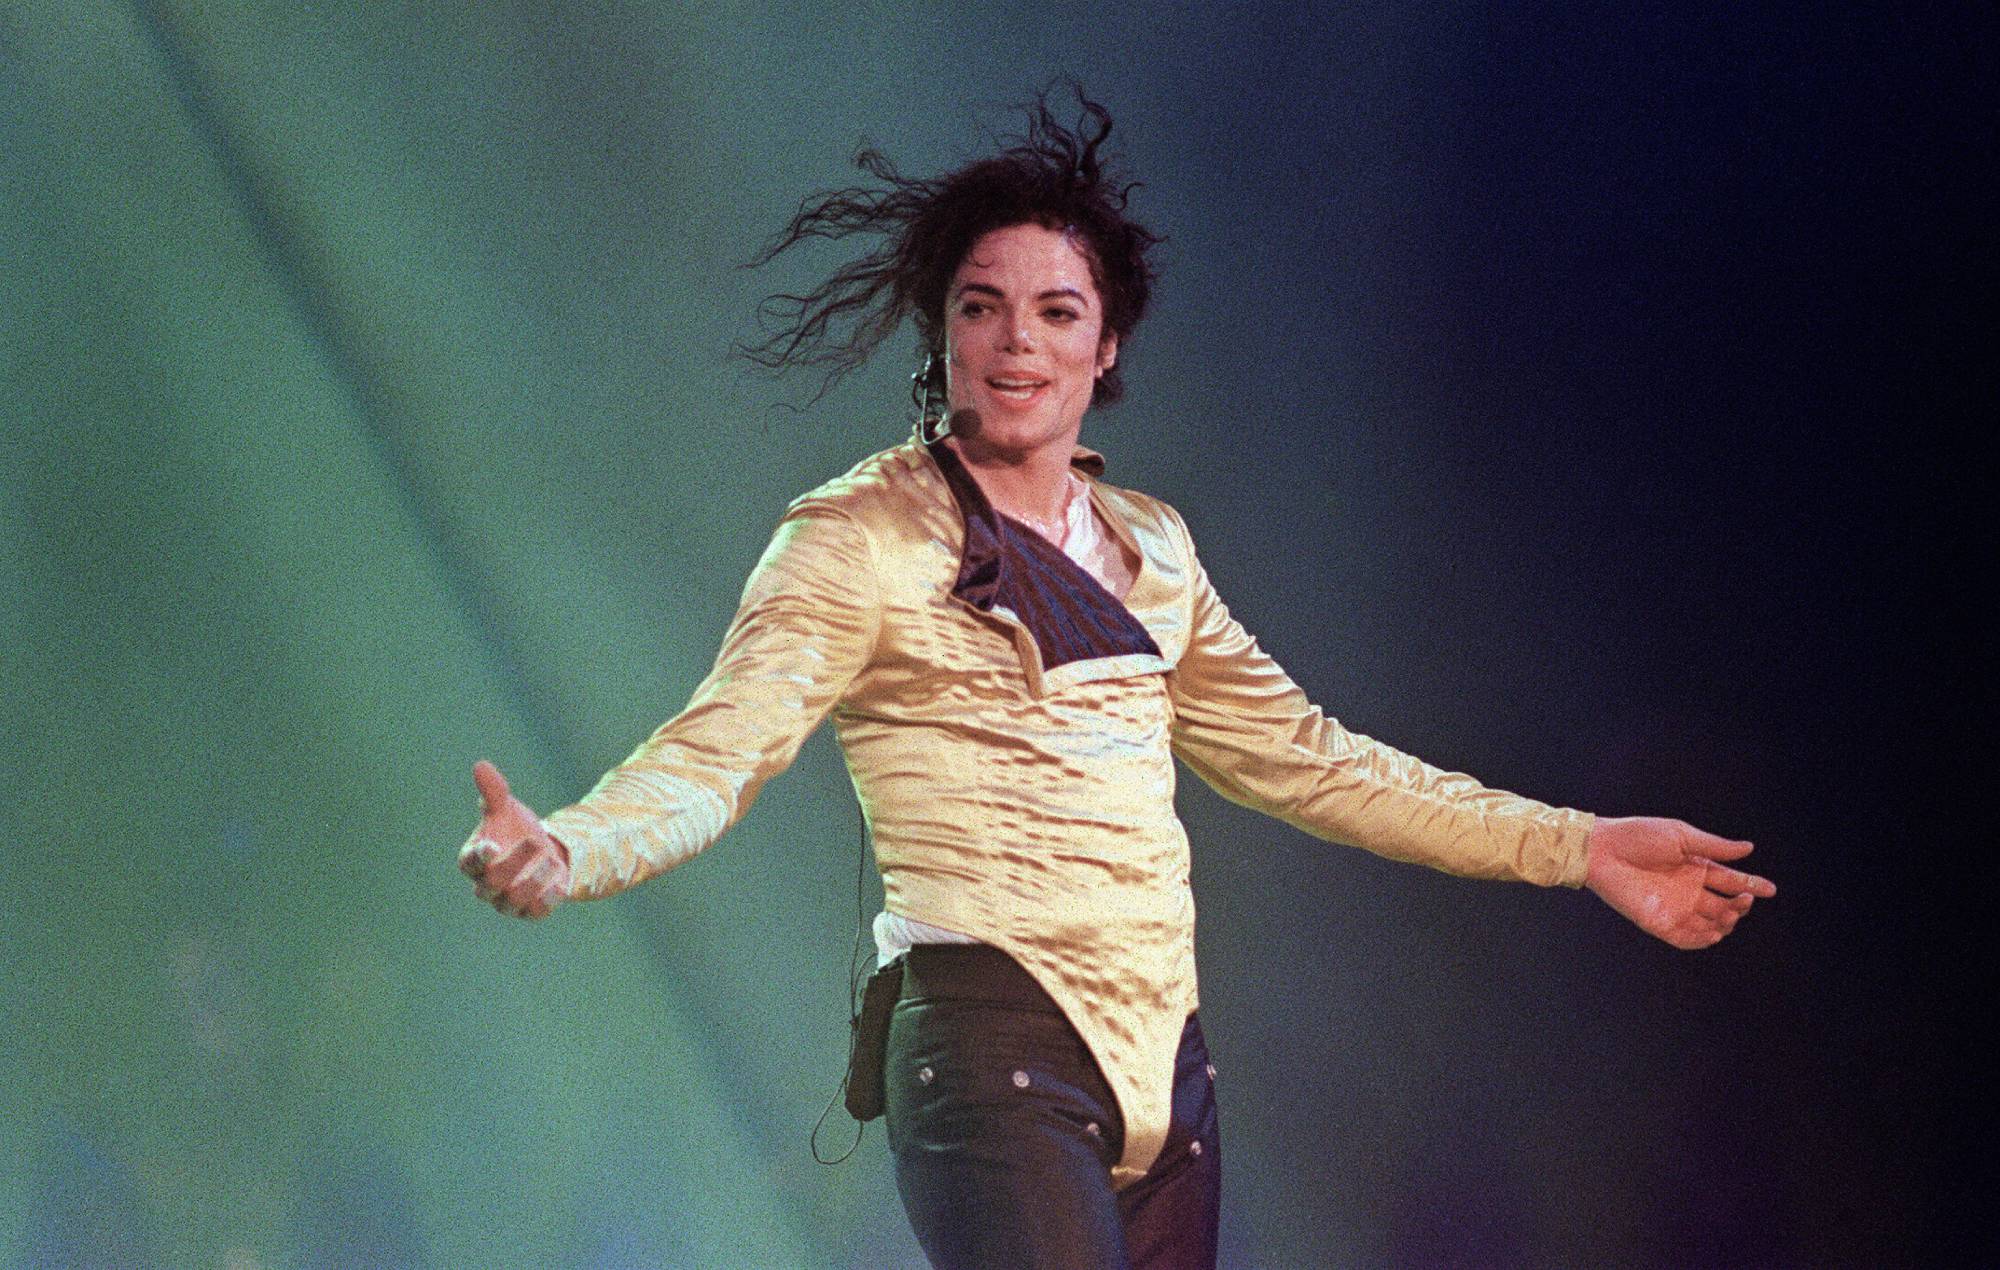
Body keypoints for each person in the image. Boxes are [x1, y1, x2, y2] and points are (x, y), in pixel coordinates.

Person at [456, 93, 1774, 1270]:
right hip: (993, 1043)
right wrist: (569, 846)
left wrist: (1580, 843)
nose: (1014, 343)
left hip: (1170, 1080)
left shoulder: (1152, 549)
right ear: (944, 330)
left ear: (1107, 347)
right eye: (982, 306)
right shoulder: (861, 535)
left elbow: (1317, 763)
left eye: (1055, 311)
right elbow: (716, 752)